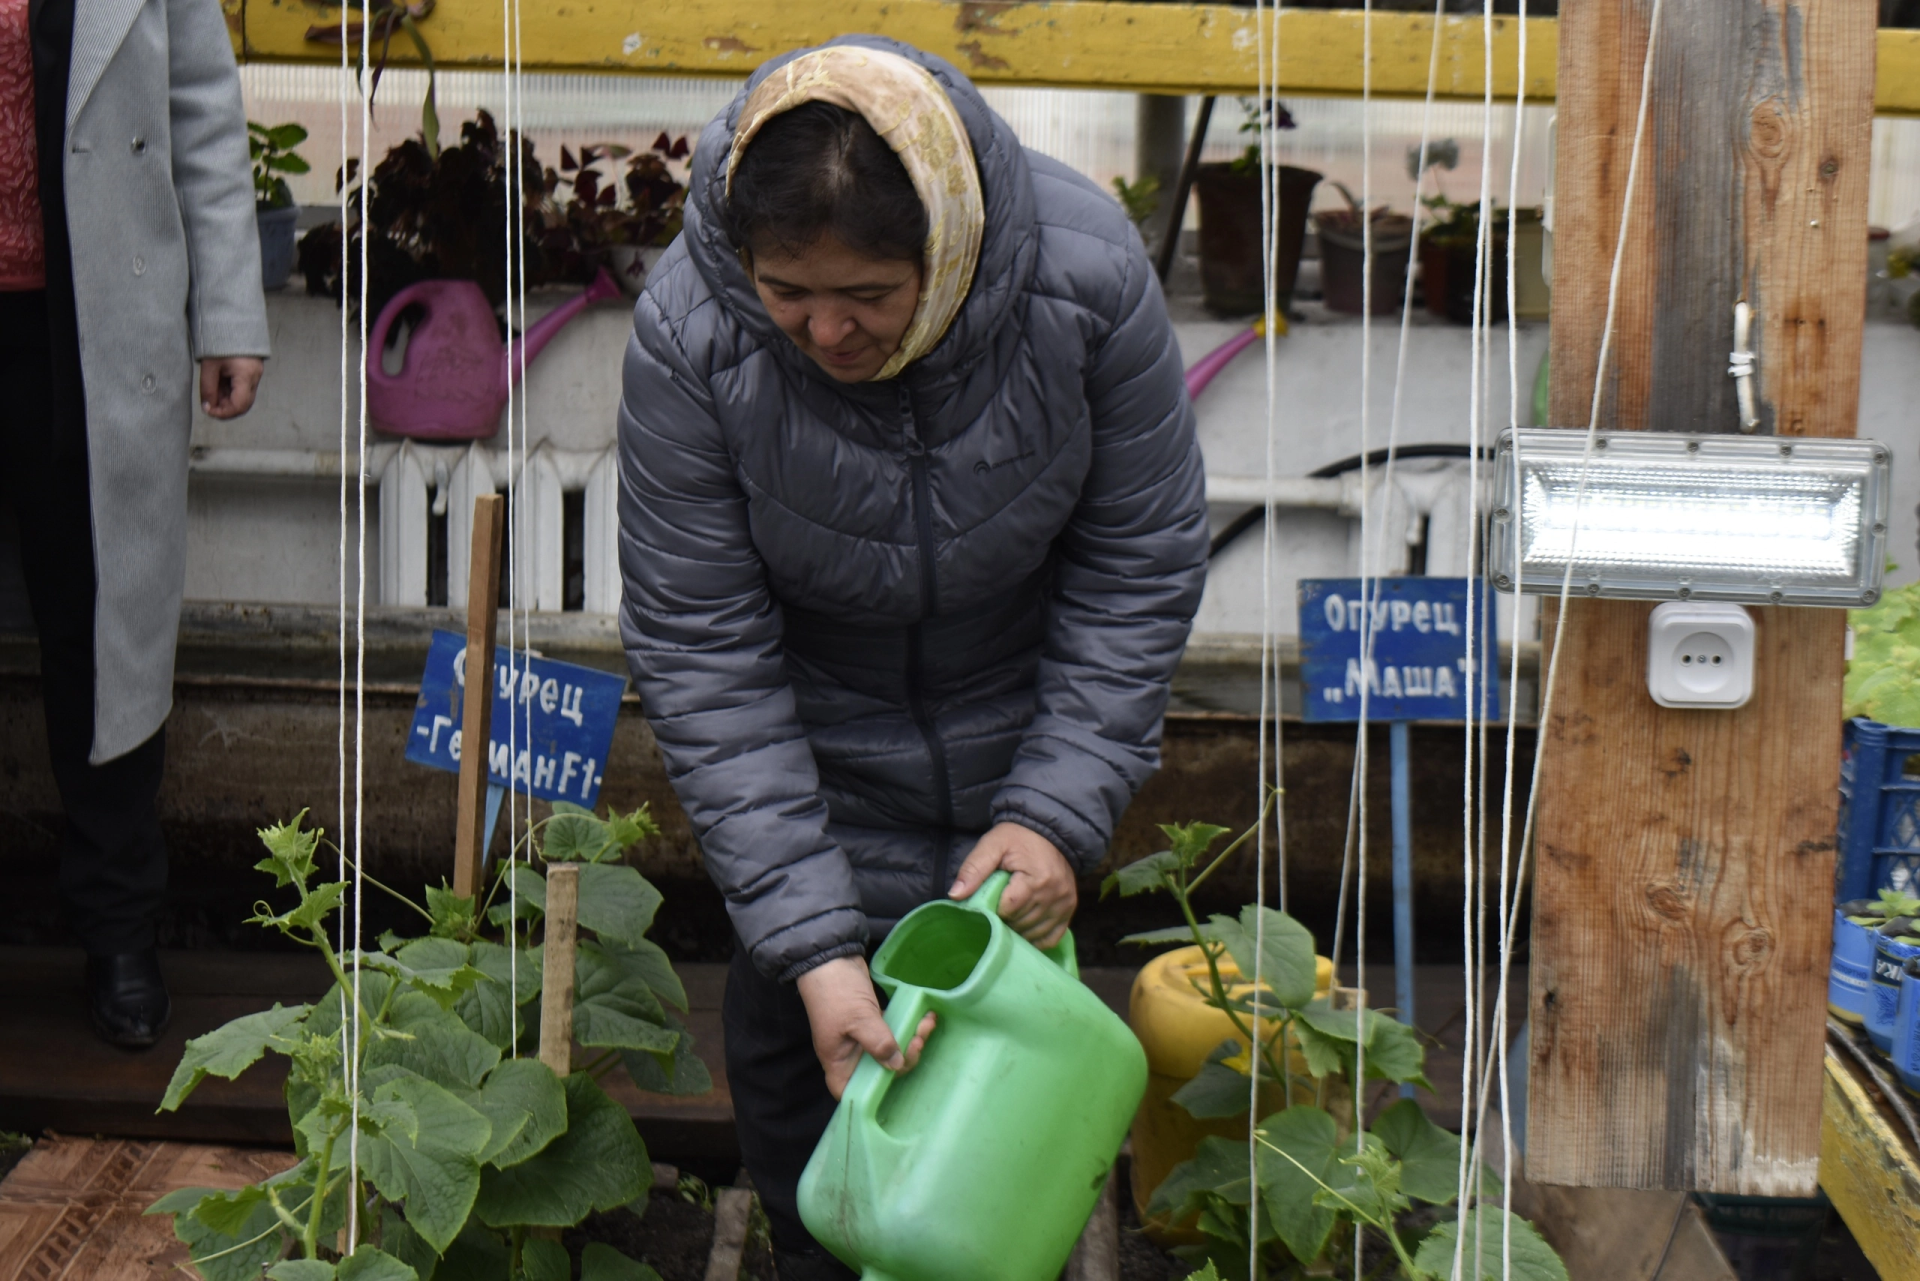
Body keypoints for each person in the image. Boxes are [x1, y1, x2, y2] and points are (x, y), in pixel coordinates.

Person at [616, 37, 1207, 1279]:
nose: (828, 330)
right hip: (808, 806)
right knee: (824, 1200)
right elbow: (704, 646)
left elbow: (1138, 557)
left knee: (997, 1204)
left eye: (871, 297)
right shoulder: (691, 335)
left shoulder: (1082, 276)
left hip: (1013, 819)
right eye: (790, 291)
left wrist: (1055, 812)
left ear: (944, 245)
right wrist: (818, 950)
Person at [0, 0, 268, 1046]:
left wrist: (233, 317)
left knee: (99, 637)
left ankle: (118, 932)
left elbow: (204, 113)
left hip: (94, 331)